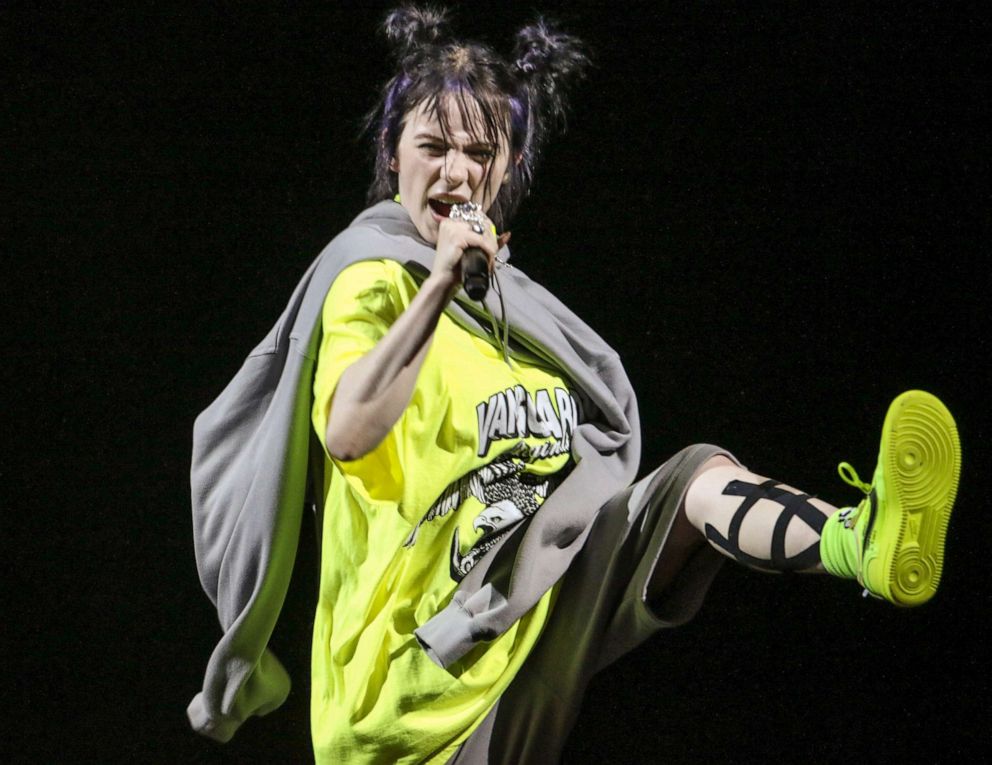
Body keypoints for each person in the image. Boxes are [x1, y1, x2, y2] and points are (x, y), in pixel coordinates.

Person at [187, 7, 962, 764]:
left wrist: (470, 284)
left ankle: (861, 542)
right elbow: (350, 432)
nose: (457, 171)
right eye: (433, 146)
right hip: (411, 692)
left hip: (528, 615)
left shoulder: (518, 318)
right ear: (393, 154)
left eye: (479, 152)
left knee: (694, 478)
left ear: (507, 167)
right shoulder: (370, 281)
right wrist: (439, 286)